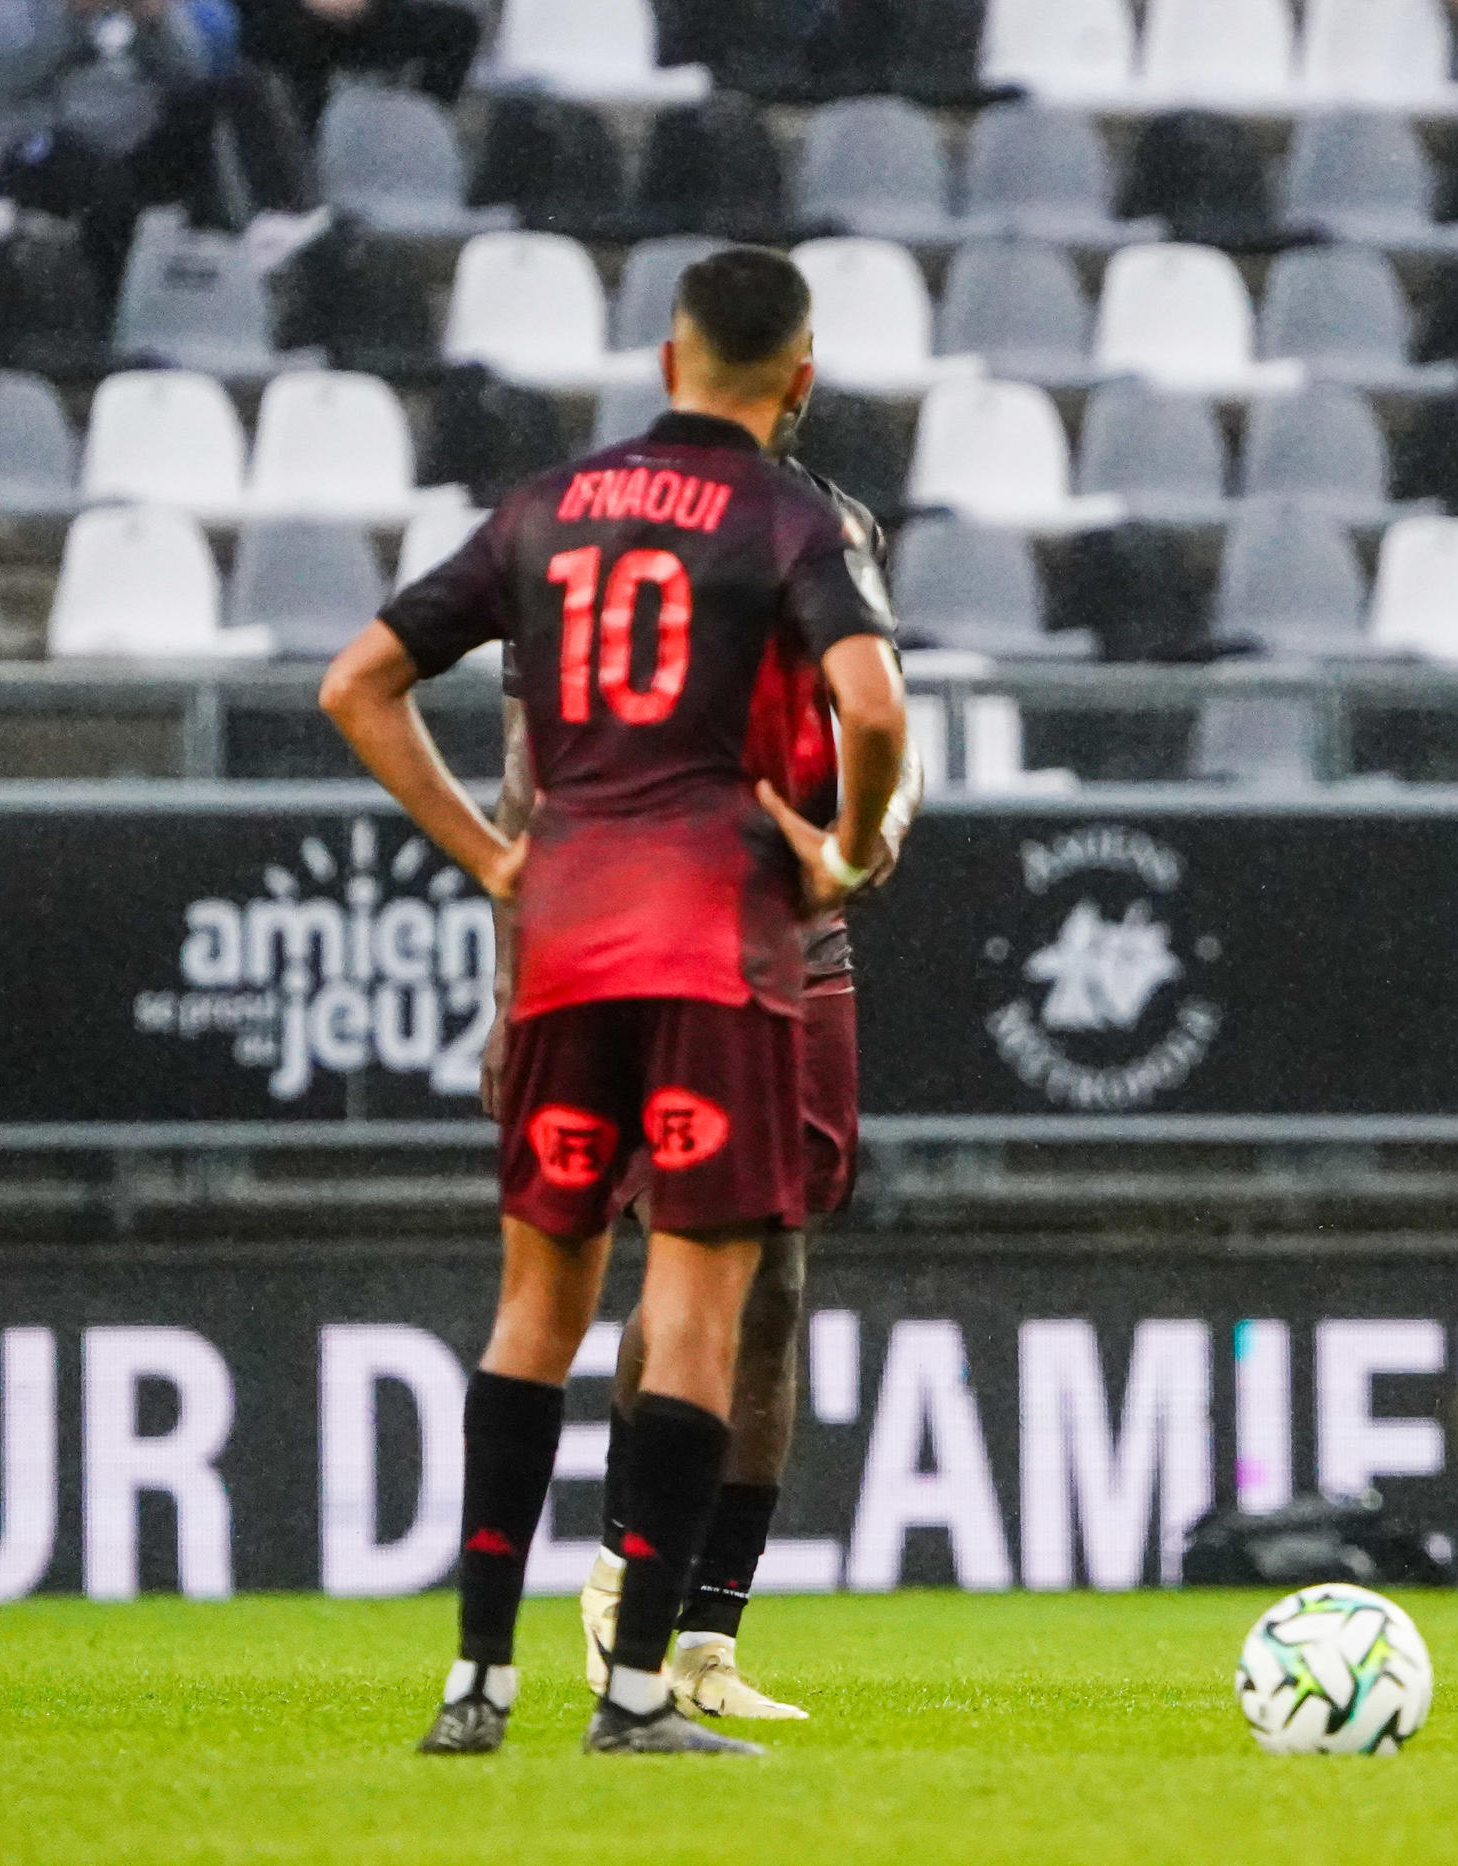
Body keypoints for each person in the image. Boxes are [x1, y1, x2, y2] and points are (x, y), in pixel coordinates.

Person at [321, 245, 911, 1756]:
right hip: (717, 931)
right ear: (800, 378)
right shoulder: (793, 515)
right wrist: (840, 851)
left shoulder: (545, 507)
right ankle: (641, 1686)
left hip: (566, 929)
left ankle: (475, 1686)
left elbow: (356, 683)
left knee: (537, 1305)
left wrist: (493, 864)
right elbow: (877, 709)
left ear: (664, 362)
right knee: (706, 1309)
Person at [555, 447, 924, 1720]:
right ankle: (623, 1591)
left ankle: (707, 1638)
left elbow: (883, 722)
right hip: (667, 919)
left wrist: (867, 838)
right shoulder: (615, 530)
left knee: (781, 1270)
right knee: (693, 1247)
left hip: (805, 933)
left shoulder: (842, 519)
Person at [0, 0, 220, 297]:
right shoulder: (9, 7)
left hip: (132, 142)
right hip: (34, 147)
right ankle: (116, 313)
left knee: (229, 101)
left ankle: (251, 255)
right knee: (106, 187)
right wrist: (71, 16)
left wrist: (156, 24)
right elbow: (5, 74)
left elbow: (192, 72)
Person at [233, 0, 479, 127]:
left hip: (361, 16)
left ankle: (419, 135)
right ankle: (306, 166)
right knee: (298, 41)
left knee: (457, 28)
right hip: (280, 15)